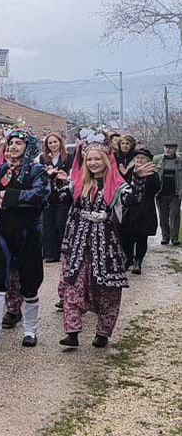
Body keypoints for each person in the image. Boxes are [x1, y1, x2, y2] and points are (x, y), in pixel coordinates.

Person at [0, 128, 49, 348]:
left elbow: (39, 195)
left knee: (30, 280)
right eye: (11, 143)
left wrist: (6, 196)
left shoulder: (37, 171)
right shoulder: (1, 170)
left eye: (19, 143)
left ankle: (30, 331)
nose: (13, 147)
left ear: (28, 147)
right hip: (2, 231)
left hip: (28, 232)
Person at [59, 137, 129, 348]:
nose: (93, 163)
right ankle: (72, 332)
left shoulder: (118, 184)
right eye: (89, 159)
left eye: (98, 159)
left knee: (107, 290)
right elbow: (61, 198)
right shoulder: (79, 182)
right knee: (74, 284)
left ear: (106, 160)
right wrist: (58, 184)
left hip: (106, 245)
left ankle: (103, 332)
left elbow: (132, 201)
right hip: (80, 243)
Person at [121, 148, 160, 274]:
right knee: (127, 236)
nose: (138, 160)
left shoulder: (152, 173)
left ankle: (138, 261)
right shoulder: (131, 171)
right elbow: (125, 185)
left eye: (142, 158)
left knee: (141, 237)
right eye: (137, 158)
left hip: (145, 209)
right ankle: (128, 258)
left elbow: (155, 189)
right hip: (131, 208)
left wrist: (143, 178)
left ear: (148, 161)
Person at [39, 132, 72, 263]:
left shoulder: (68, 157)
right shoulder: (43, 159)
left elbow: (73, 174)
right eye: (50, 143)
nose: (53, 145)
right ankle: (51, 253)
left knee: (61, 223)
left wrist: (65, 176)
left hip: (63, 194)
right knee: (48, 224)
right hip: (49, 195)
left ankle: (64, 251)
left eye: (55, 142)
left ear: (60, 142)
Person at [154, 141, 182, 245]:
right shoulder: (157, 159)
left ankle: (174, 238)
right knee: (163, 216)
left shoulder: (179, 160)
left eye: (170, 148)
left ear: (175, 149)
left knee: (175, 215)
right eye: (166, 147)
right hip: (161, 193)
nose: (168, 150)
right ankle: (165, 236)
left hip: (175, 193)